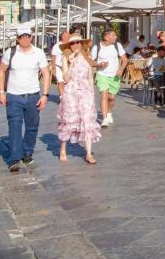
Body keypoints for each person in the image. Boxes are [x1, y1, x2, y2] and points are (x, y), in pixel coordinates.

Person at [0, 29, 50, 172]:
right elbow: (1, 70)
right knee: (14, 126)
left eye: (28, 36)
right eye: (22, 36)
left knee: (32, 126)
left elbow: (46, 73)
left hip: (33, 95)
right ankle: (14, 158)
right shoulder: (10, 52)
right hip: (14, 96)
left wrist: (45, 95)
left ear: (32, 37)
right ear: (18, 38)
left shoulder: (38, 53)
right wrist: (1, 92)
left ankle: (27, 153)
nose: (25, 38)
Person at [57, 35, 100, 164]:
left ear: (82, 44)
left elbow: (90, 77)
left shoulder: (87, 57)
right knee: (70, 119)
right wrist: (71, 63)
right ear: (69, 46)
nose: (76, 45)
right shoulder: (66, 58)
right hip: (71, 91)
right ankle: (63, 148)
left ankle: (88, 153)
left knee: (87, 119)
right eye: (73, 43)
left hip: (86, 91)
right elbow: (66, 78)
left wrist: (92, 93)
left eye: (78, 43)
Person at [90, 30, 128, 127]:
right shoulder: (97, 47)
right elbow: (90, 61)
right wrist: (98, 64)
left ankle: (109, 112)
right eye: (113, 35)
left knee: (111, 98)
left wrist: (121, 69)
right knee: (104, 96)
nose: (116, 37)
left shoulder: (117, 46)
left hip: (115, 75)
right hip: (102, 74)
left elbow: (125, 60)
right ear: (107, 37)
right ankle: (104, 118)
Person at [51, 31, 70, 98]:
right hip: (58, 66)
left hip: (68, 67)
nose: (67, 37)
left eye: (68, 36)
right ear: (61, 37)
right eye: (65, 36)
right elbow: (53, 57)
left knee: (67, 82)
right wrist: (53, 68)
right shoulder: (57, 46)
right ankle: (62, 96)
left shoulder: (70, 45)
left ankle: (67, 95)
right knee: (60, 81)